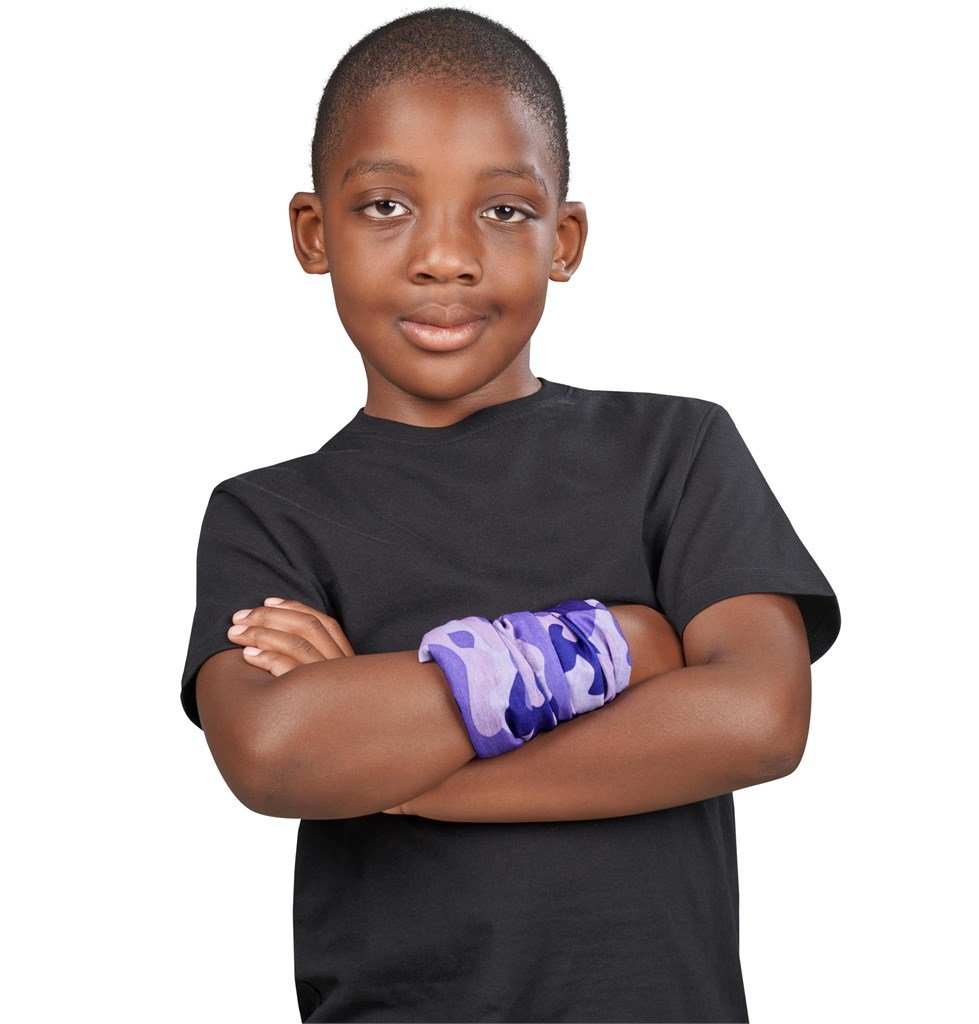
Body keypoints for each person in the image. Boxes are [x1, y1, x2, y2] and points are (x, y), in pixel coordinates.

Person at [179, 7, 841, 1023]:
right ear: (314, 233)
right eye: (387, 205)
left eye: (501, 211)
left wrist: (391, 772)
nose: (445, 257)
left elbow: (758, 718)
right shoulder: (270, 516)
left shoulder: (676, 452)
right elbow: (272, 754)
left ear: (563, 240)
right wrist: (613, 646)